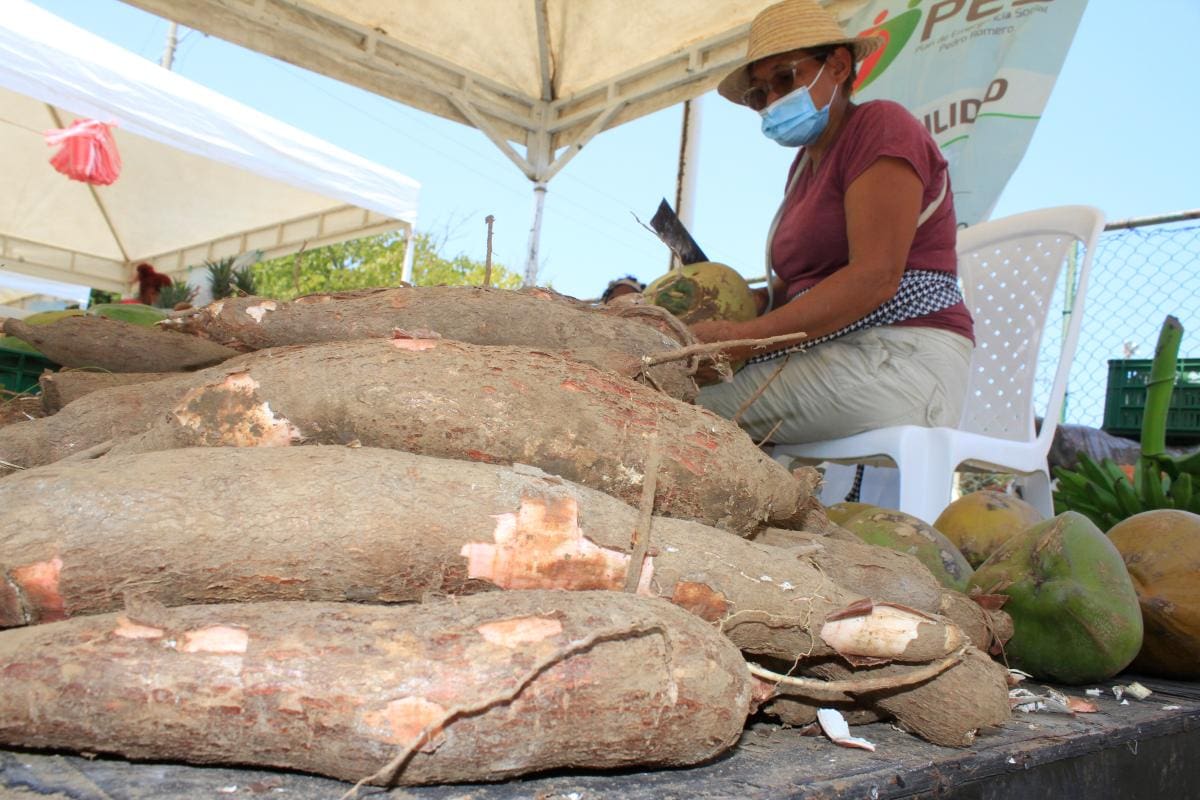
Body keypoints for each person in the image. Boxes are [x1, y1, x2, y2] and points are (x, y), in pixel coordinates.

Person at [691, 0, 974, 446]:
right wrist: (711, 310)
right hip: (833, 353)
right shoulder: (804, 165)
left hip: (902, 359)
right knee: (678, 392)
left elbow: (874, 277)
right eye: (758, 95)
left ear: (839, 65)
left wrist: (742, 339)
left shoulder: (881, 126)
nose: (772, 101)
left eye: (785, 78)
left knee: (681, 408)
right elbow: (792, 292)